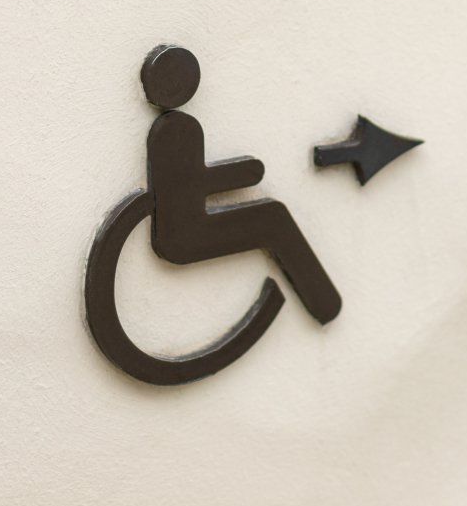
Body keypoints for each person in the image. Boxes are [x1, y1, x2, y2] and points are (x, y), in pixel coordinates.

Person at [139, 44, 341, 324]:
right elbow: (189, 185)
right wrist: (249, 173)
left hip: (181, 231)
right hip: (187, 234)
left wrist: (244, 173)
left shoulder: (172, 129)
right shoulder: (180, 130)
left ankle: (324, 303)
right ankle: (324, 302)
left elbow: (187, 183)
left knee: (272, 216)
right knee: (273, 217)